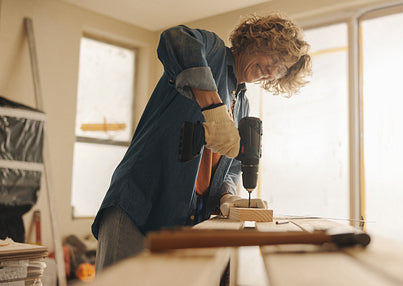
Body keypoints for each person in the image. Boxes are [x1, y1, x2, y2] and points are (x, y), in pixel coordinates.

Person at [92, 12, 312, 271]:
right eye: (274, 58)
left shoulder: (242, 103)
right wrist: (213, 108)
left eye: (281, 69)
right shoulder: (214, 53)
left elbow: (231, 167)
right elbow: (174, 39)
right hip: (138, 206)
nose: (272, 70)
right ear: (256, 41)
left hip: (179, 222)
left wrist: (228, 197)